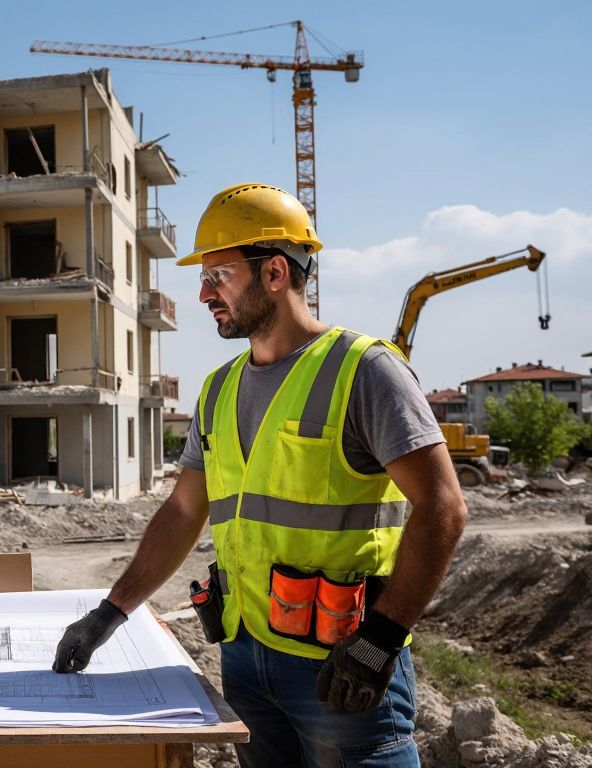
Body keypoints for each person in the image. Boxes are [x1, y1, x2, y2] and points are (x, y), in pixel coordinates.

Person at [52, 183, 467, 766]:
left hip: (342, 665)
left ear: (275, 272)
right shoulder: (219, 389)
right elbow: (183, 511)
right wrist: (111, 612)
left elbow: (444, 507)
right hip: (245, 659)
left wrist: (380, 641)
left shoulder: (366, 371)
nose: (202, 294)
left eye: (218, 275)